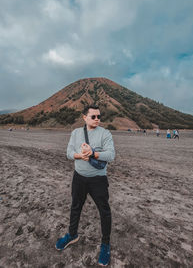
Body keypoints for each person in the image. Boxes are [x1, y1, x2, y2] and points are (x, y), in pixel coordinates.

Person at [55, 105, 115, 266]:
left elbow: (111, 154)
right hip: (79, 178)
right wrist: (80, 155)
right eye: (93, 116)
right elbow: (68, 153)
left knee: (104, 211)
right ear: (84, 117)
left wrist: (93, 153)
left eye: (99, 117)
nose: (97, 119)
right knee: (75, 207)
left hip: (98, 180)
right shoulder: (76, 133)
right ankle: (72, 235)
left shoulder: (105, 133)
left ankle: (105, 244)